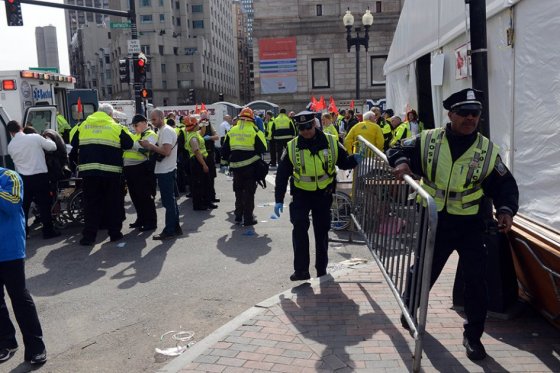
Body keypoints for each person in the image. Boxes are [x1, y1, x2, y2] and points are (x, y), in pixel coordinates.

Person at [387, 88, 519, 361]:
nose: (470, 118)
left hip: (472, 223)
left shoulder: (487, 149)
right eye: (464, 113)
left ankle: (473, 337)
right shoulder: (429, 140)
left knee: (476, 282)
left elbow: (505, 184)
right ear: (451, 114)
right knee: (423, 270)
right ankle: (410, 308)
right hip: (435, 219)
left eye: (475, 114)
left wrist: (505, 209)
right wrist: (401, 163)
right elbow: (397, 149)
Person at [274, 111, 362, 281]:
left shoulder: (331, 142)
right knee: (299, 228)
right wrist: (278, 199)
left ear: (314, 124)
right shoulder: (292, 146)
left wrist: (354, 160)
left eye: (308, 127)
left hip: (323, 193)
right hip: (301, 193)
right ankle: (301, 271)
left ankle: (321, 269)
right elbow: (282, 174)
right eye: (301, 128)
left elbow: (343, 162)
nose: (305, 131)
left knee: (321, 231)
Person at [0, 167, 47, 365]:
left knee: (19, 297)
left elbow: (12, 205)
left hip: (9, 249)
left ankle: (36, 347)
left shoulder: (9, 177)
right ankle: (6, 342)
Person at [69, 103, 133, 245]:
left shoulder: (83, 125)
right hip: (111, 173)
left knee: (90, 205)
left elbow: (72, 142)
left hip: (89, 173)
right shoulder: (116, 127)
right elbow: (129, 144)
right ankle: (115, 234)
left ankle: (89, 237)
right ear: (110, 114)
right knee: (113, 203)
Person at [6, 120, 60, 239]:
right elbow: (53, 147)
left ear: (10, 132)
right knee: (44, 205)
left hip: (23, 179)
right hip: (40, 177)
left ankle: (24, 232)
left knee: (24, 207)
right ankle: (48, 231)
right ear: (21, 128)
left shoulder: (10, 146)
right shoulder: (35, 137)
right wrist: (48, 138)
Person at [139, 108, 181, 240]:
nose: (152, 122)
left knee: (168, 202)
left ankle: (169, 230)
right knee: (171, 201)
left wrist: (150, 146)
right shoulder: (164, 130)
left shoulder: (166, 131)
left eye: (154, 119)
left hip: (166, 170)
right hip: (166, 169)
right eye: (151, 119)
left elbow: (166, 151)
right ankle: (175, 228)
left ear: (161, 118)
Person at [221, 107, 267, 226]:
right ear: (252, 119)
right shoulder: (255, 131)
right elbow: (263, 148)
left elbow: (224, 149)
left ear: (240, 118)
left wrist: (225, 162)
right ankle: (248, 219)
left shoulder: (232, 130)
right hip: (251, 168)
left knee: (238, 192)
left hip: (236, 168)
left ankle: (237, 215)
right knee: (249, 193)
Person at [123, 114, 158, 232]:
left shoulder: (150, 134)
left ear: (144, 122)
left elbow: (146, 149)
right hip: (130, 169)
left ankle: (151, 222)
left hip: (141, 168)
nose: (135, 128)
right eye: (133, 126)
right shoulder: (136, 135)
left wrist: (132, 145)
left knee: (145, 196)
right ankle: (141, 219)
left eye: (136, 125)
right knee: (135, 196)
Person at [184, 116, 215, 211]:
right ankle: (198, 205)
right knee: (199, 184)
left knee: (205, 182)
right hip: (197, 161)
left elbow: (202, 133)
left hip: (200, 160)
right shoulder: (193, 137)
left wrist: (204, 125)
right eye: (198, 123)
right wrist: (204, 165)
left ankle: (206, 202)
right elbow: (196, 151)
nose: (199, 125)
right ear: (194, 126)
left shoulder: (194, 133)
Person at [199, 111, 220, 204]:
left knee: (211, 177)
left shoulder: (210, 125)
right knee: (205, 178)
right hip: (203, 155)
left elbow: (216, 136)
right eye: (204, 119)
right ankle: (207, 198)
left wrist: (210, 137)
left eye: (207, 119)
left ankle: (212, 196)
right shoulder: (199, 125)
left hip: (211, 153)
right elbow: (200, 134)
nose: (205, 121)